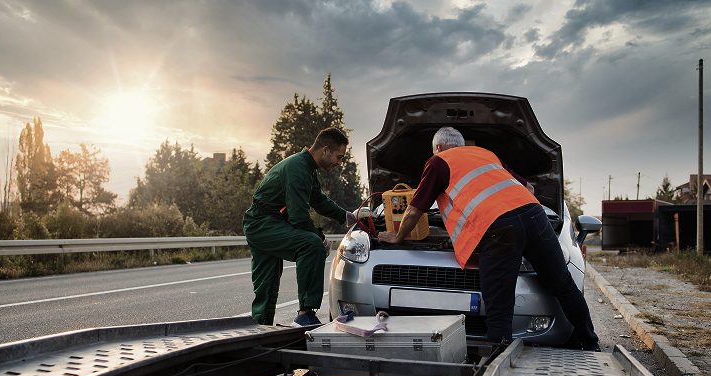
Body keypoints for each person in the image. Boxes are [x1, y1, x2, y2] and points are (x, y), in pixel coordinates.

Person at [377, 126, 599, 350]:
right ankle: (590, 343)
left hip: (499, 227)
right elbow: (529, 188)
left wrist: (397, 237)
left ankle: (499, 367)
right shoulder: (486, 155)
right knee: (564, 286)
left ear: (437, 148)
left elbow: (415, 210)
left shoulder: (438, 161)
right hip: (535, 215)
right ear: (462, 145)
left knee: (499, 310)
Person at [243, 127, 358, 327]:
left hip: (265, 223)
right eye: (339, 157)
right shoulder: (298, 168)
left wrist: (346, 216)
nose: (339, 163)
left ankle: (260, 330)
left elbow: (318, 200)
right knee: (311, 245)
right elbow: (298, 217)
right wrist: (320, 237)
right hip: (262, 223)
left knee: (266, 286)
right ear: (325, 150)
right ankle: (305, 314)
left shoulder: (307, 168)